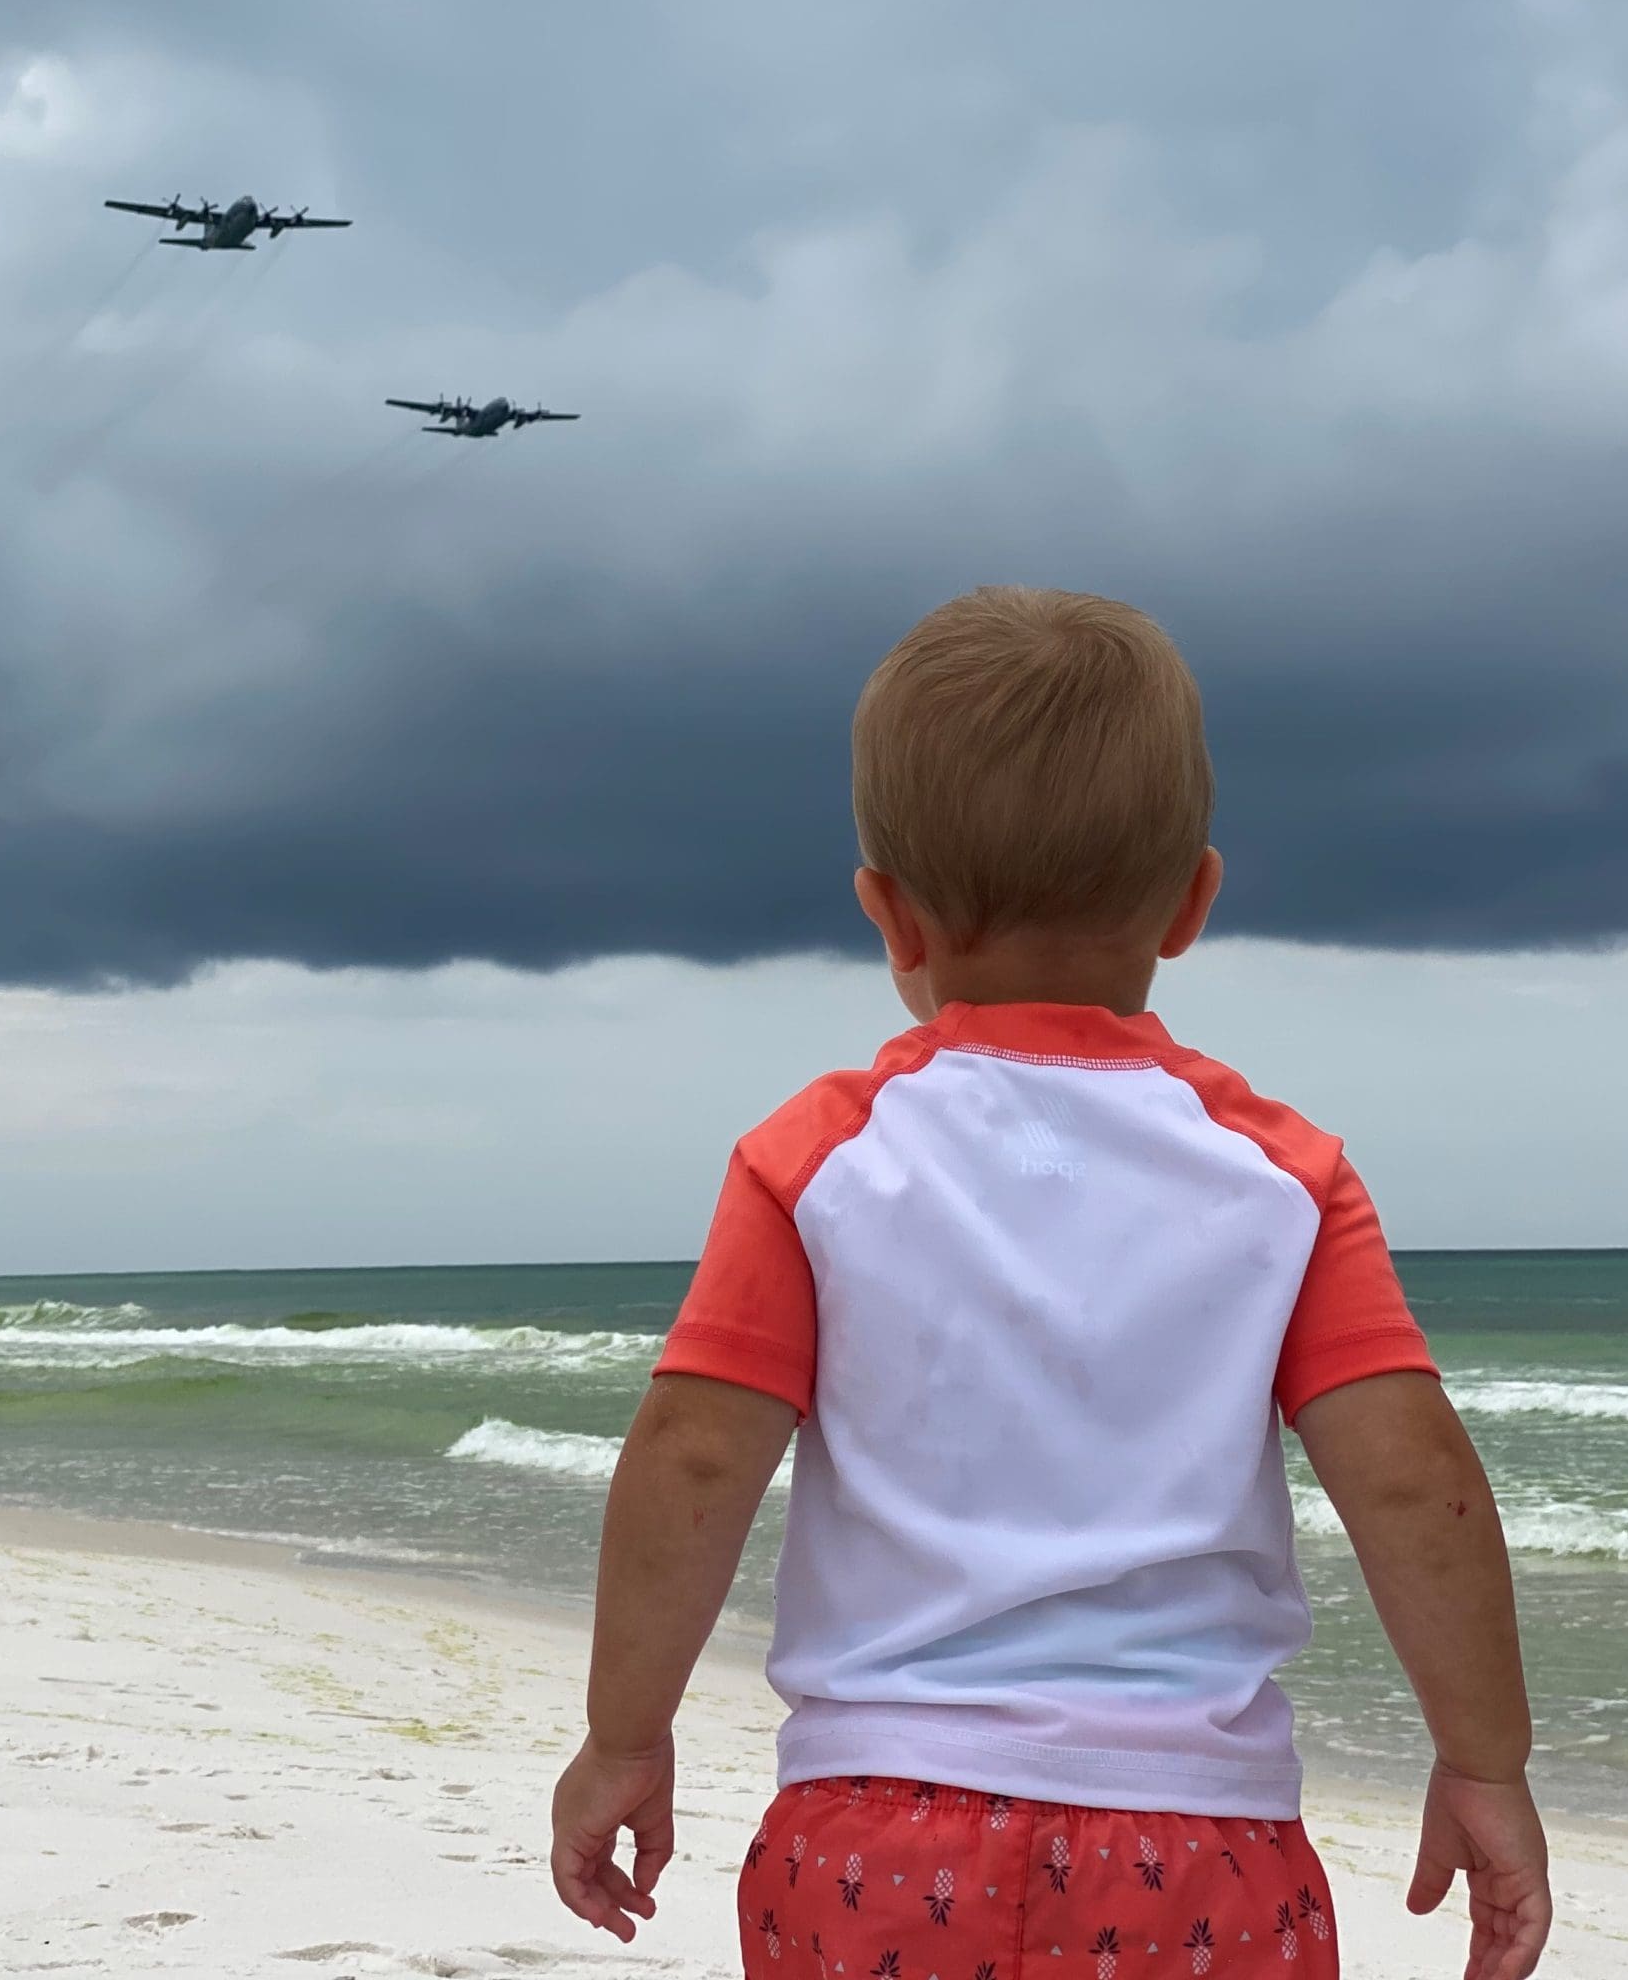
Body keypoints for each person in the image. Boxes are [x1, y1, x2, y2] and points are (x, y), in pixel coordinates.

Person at [550, 587, 1551, 1980]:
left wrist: (625, 1736)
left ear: (887, 917)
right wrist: (1483, 1763)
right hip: (1203, 1850)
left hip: (871, 1839)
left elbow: (693, 1458)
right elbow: (1411, 1481)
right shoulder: (1282, 1176)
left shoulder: (818, 1160)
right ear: (1194, 901)